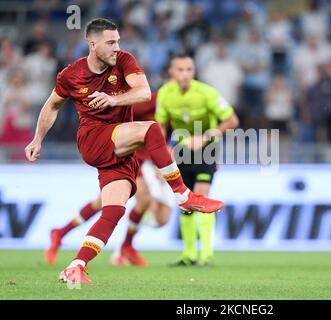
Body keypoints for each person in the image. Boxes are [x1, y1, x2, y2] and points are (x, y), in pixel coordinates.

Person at [24, 18, 224, 284]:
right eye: (110, 42)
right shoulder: (72, 74)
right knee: (151, 130)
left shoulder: (125, 61)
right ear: (92, 44)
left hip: (122, 149)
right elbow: (52, 106)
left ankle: (76, 265)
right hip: (94, 138)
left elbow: (142, 92)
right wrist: (38, 138)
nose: (116, 47)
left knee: (113, 210)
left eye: (118, 41)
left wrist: (113, 99)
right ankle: (183, 195)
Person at [45, 93, 173, 267]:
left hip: (149, 160)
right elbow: (122, 117)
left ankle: (61, 232)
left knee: (101, 203)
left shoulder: (183, 107)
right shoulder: (151, 100)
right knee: (143, 199)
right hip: (132, 157)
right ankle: (126, 246)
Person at [156, 54, 239, 267]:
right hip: (180, 151)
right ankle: (189, 254)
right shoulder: (165, 94)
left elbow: (232, 120)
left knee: (202, 197)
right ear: (171, 72)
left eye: (189, 70)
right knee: (185, 202)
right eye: (180, 70)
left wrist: (206, 136)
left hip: (206, 149)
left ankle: (207, 255)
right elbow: (161, 126)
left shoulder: (207, 93)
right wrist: (163, 153)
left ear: (194, 72)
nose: (185, 74)